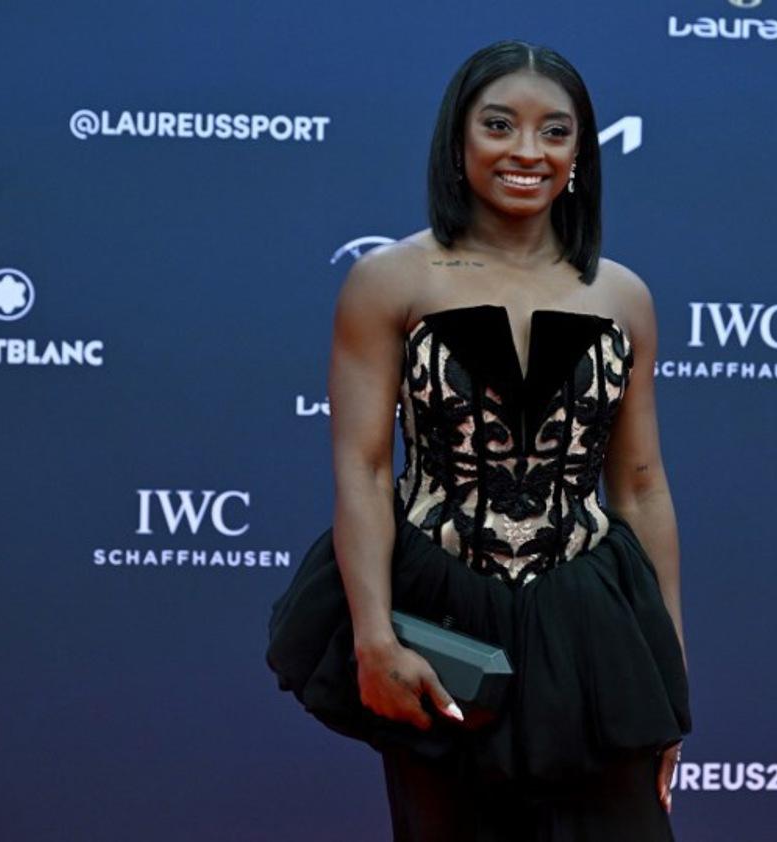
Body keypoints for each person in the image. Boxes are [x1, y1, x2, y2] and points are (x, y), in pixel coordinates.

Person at [269, 39, 691, 841]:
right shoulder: (391, 280)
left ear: (582, 152)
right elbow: (361, 471)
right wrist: (373, 636)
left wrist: (668, 676)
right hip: (443, 616)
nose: (528, 151)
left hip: (591, 626)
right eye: (500, 125)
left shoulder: (623, 295)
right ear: (458, 143)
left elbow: (641, 486)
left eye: (555, 132)